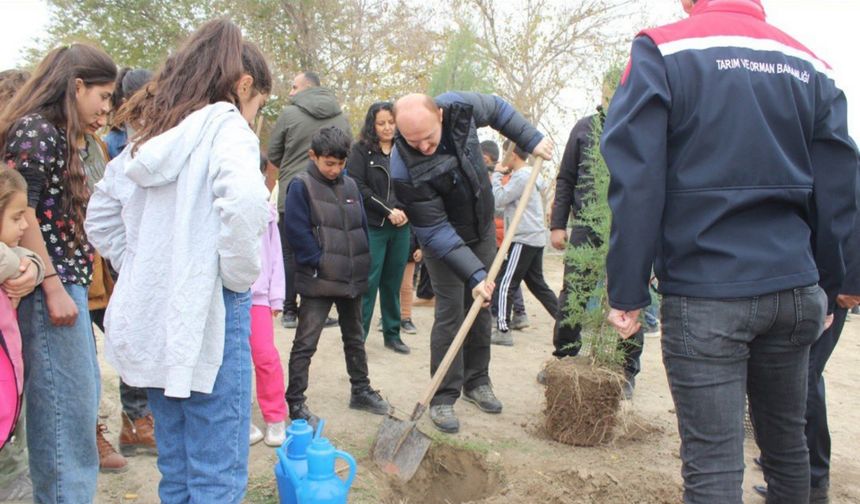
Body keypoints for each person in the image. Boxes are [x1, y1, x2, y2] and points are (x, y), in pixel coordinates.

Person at [602, 1, 858, 502]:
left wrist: (628, 288)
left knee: (713, 465)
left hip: (707, 294)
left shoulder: (661, 49)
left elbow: (638, 177)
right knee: (787, 451)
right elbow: (839, 184)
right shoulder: (810, 64)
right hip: (795, 288)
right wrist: (831, 284)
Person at [85, 20, 272, 503]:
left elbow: (100, 214)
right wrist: (235, 275)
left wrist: (145, 267)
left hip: (158, 318)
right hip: (211, 308)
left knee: (178, 469)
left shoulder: (153, 136)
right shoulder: (227, 126)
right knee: (217, 472)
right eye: (259, 108)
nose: (255, 117)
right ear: (243, 86)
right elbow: (248, 201)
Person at [391, 92, 552, 434]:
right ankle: (442, 398)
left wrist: (532, 139)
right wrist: (475, 273)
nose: (422, 147)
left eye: (429, 138)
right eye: (412, 141)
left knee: (482, 306)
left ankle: (477, 382)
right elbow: (433, 227)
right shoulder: (402, 166)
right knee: (451, 312)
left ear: (440, 115)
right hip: (442, 241)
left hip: (479, 229)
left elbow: (498, 110)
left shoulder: (461, 109)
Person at [0, 43, 115, 503]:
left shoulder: (62, 134)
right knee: (65, 414)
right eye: (102, 96)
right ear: (76, 86)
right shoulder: (36, 131)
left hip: (67, 280)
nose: (106, 107)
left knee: (81, 401)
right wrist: (50, 285)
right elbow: (23, 212)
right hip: (51, 285)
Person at [283, 126, 390, 427]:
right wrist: (319, 262)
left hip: (351, 278)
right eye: (329, 163)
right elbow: (296, 233)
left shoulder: (352, 186)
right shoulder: (300, 186)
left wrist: (362, 264)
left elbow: (360, 229)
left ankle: (361, 390)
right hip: (318, 280)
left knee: (355, 337)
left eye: (340, 164)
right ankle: (296, 402)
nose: (335, 170)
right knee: (306, 342)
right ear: (313, 156)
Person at [753, 206, 860, 502]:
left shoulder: (843, 160)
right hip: (801, 279)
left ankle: (812, 480)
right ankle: (786, 469)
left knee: (805, 379)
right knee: (785, 380)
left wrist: (851, 281)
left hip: (828, 285)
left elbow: (848, 210)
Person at [268, 71, 351, 329]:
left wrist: (276, 182)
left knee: (289, 253)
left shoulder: (289, 114)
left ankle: (289, 310)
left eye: (294, 87)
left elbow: (273, 155)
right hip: (329, 199)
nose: (291, 92)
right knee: (323, 250)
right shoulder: (341, 117)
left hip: (292, 193)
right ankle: (318, 309)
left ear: (307, 89)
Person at [347, 102, 412, 354]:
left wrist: (406, 211)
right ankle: (358, 336)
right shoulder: (361, 150)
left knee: (393, 281)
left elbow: (417, 185)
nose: (387, 128)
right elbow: (358, 186)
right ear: (372, 125)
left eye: (391, 122)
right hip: (375, 224)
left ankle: (392, 333)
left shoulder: (407, 150)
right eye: (381, 123)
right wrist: (388, 211)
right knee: (369, 281)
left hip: (403, 226)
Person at [0, 169, 45, 502]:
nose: (25, 225)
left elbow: (28, 263)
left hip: (9, 421)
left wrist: (30, 263)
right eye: (16, 217)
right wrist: (20, 260)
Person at [489, 142, 557, 346]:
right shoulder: (532, 175)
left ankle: (502, 330)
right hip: (534, 237)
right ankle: (566, 323)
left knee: (504, 284)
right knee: (537, 285)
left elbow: (498, 199)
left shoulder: (521, 176)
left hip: (523, 237)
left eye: (506, 154)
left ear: (514, 156)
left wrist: (497, 176)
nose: (503, 159)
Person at [249, 153, 288, 448]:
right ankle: (238, 418)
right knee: (231, 361)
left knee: (265, 356)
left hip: (258, 297)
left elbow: (275, 256)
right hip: (227, 295)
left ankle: (275, 417)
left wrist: (276, 296)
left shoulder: (267, 212)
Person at [482, 139, 528, 330]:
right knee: (509, 277)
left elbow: (498, 201)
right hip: (500, 233)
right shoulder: (501, 173)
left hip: (501, 234)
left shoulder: (502, 175)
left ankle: (504, 316)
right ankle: (518, 313)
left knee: (504, 278)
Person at [103, 67, 152, 159]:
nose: (148, 113)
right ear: (126, 104)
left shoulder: (169, 132)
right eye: (141, 107)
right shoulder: (111, 144)